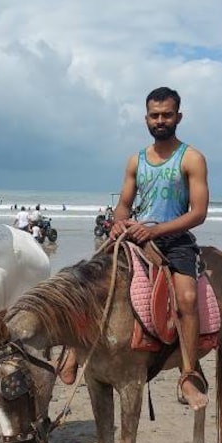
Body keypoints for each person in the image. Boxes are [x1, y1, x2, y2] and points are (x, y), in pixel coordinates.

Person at [62, 86, 210, 410]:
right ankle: (74, 351)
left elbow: (198, 213)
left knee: (186, 298)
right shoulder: (136, 160)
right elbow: (124, 204)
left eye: (167, 115)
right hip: (136, 236)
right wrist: (119, 223)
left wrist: (155, 230)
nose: (160, 121)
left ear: (178, 117)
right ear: (146, 119)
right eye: (155, 115)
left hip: (174, 238)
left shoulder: (192, 158)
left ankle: (188, 374)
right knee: (87, 282)